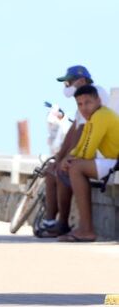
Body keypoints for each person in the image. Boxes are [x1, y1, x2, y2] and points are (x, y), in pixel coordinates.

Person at [39, 65, 110, 237]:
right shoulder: (81, 102)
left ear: (82, 81)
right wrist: (59, 156)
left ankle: (65, 223)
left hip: (102, 154)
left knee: (67, 169)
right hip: (92, 153)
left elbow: (82, 132)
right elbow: (74, 131)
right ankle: (52, 221)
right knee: (52, 170)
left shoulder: (95, 93)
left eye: (69, 82)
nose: (66, 86)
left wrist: (68, 157)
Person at [57, 85, 119, 242]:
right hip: (113, 161)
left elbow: (88, 151)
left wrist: (70, 161)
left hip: (116, 161)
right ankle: (83, 227)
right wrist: (68, 158)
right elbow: (80, 147)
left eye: (88, 102)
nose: (84, 107)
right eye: (80, 104)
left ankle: (86, 229)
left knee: (76, 168)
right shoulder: (92, 117)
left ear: (98, 100)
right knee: (74, 166)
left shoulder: (101, 116)